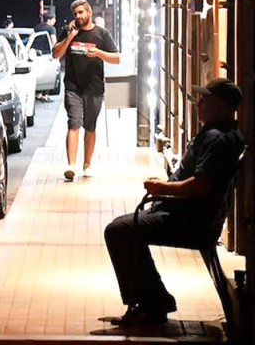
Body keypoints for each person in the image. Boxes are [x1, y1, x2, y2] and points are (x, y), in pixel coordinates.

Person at [103, 77, 246, 326]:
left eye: (206, 99)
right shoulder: (225, 134)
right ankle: (152, 300)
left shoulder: (217, 139)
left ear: (221, 106)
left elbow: (199, 186)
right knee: (124, 228)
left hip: (189, 220)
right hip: (189, 215)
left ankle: (153, 302)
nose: (199, 103)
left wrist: (163, 188)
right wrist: (164, 188)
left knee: (119, 230)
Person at [50, 0, 120, 180]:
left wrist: (98, 53)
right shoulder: (68, 31)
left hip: (94, 88)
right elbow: (56, 53)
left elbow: (116, 58)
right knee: (73, 124)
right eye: (75, 14)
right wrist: (69, 38)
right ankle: (71, 165)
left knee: (90, 127)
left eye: (81, 12)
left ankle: (87, 164)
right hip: (73, 87)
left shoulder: (101, 34)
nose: (78, 16)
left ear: (89, 13)